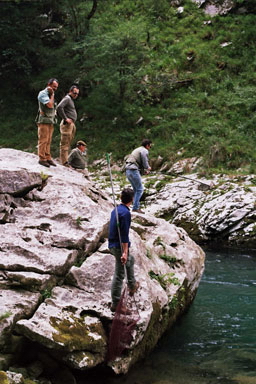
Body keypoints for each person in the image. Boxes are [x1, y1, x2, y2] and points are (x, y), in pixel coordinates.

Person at [108, 188, 139, 312]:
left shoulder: (116, 210)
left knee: (131, 260)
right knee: (119, 274)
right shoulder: (125, 213)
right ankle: (116, 303)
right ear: (132, 200)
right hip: (118, 246)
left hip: (112, 243)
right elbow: (124, 235)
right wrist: (125, 252)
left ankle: (132, 285)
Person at [125, 139, 152, 214]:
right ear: (147, 145)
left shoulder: (137, 149)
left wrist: (144, 171)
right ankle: (135, 208)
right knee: (140, 190)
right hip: (133, 170)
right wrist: (148, 167)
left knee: (136, 190)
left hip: (128, 170)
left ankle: (135, 207)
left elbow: (136, 162)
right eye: (150, 145)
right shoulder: (144, 150)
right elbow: (144, 160)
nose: (150, 147)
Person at [36, 78, 59, 167]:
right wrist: (52, 94)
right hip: (44, 120)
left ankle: (48, 157)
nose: (55, 88)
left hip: (50, 120)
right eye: (54, 87)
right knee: (43, 140)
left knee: (48, 140)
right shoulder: (43, 94)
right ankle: (42, 158)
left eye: (56, 87)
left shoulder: (50, 94)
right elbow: (49, 105)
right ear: (49, 85)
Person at [56, 85, 79, 166]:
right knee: (65, 143)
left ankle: (66, 160)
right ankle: (64, 162)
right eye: (74, 93)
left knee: (68, 142)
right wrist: (65, 118)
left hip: (72, 124)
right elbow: (59, 107)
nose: (76, 95)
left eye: (77, 94)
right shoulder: (67, 98)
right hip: (67, 125)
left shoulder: (71, 100)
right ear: (70, 91)